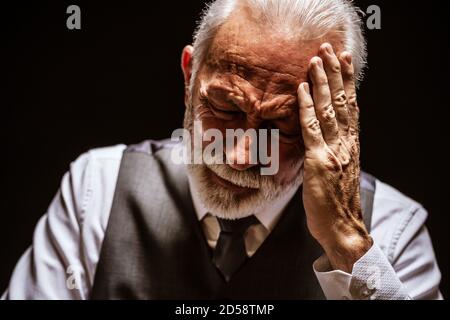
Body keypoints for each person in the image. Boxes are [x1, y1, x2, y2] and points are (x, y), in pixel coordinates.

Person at [2, 0, 443, 300]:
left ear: (334, 120)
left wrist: (347, 244)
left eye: (282, 125)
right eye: (226, 107)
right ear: (189, 76)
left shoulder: (391, 229)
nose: (240, 155)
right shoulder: (96, 187)